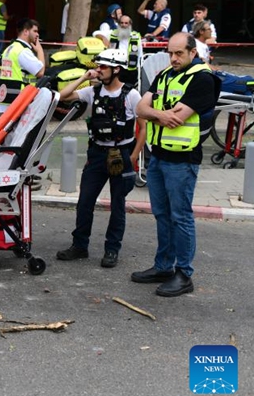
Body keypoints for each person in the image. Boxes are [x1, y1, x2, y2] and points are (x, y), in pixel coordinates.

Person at [132, 32, 219, 297]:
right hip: (158, 157)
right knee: (162, 215)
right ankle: (163, 267)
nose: (173, 58)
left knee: (180, 217)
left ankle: (184, 274)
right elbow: (139, 109)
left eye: (179, 53)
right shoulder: (165, 75)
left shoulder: (203, 79)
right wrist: (160, 114)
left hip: (182, 161)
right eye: (170, 53)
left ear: (193, 52)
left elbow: (177, 119)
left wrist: (154, 115)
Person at [55, 49, 145, 268]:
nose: (98, 70)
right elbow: (63, 95)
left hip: (121, 153)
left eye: (103, 67)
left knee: (117, 204)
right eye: (98, 66)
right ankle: (79, 245)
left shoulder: (131, 95)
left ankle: (112, 249)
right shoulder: (92, 91)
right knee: (85, 201)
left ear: (117, 69)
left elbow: (143, 129)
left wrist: (132, 157)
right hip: (96, 154)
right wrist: (84, 77)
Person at [0, 18, 45, 113]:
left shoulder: (10, 48)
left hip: (7, 96)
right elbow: (40, 72)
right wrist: (40, 51)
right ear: (26, 31)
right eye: (34, 31)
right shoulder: (23, 51)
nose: (37, 35)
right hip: (19, 98)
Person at [94, 15, 143, 86]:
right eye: (121, 23)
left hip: (130, 70)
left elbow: (140, 54)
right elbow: (95, 33)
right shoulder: (113, 33)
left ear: (130, 24)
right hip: (115, 68)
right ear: (118, 24)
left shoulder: (136, 36)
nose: (123, 25)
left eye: (126, 23)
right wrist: (103, 38)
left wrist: (139, 69)